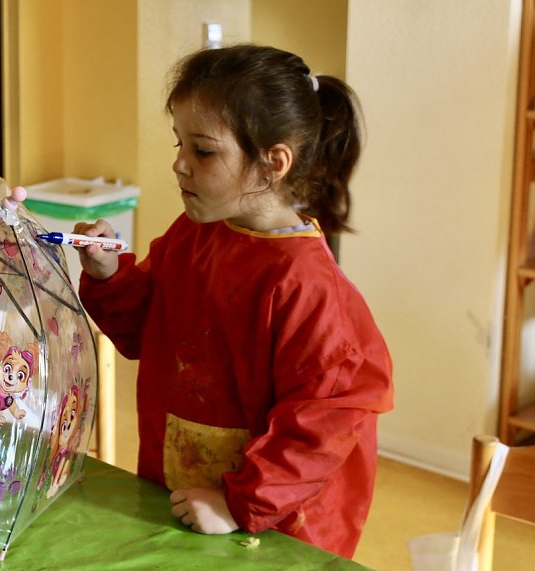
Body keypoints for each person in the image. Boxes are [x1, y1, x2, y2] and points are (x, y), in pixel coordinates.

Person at [72, 43, 393, 558]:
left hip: (272, 526)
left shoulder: (306, 285)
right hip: (181, 498)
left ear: (273, 164)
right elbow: (147, 332)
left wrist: (240, 504)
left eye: (203, 150)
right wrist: (109, 275)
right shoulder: (194, 235)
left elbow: (328, 421)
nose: (179, 165)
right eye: (179, 144)